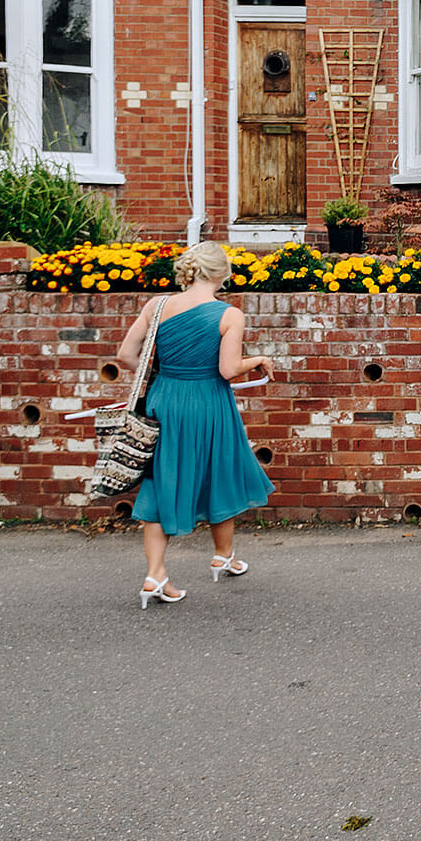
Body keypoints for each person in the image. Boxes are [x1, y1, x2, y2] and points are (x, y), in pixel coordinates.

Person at [116, 241, 275, 608]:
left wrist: (162, 376)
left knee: (160, 480)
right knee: (220, 471)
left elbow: (125, 355)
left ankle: (155, 575)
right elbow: (228, 370)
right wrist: (259, 359)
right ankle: (223, 555)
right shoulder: (229, 315)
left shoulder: (156, 306)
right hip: (208, 403)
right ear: (223, 274)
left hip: (164, 399)